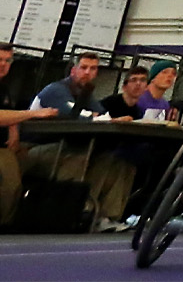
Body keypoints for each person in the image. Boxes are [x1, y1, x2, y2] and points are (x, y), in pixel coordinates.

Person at [24, 53, 138, 231]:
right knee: (77, 157)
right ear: (73, 70)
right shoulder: (56, 89)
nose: (87, 72)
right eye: (84, 67)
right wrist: (102, 118)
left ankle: (104, 217)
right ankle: (68, 211)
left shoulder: (86, 94)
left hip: (64, 148)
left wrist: (108, 119)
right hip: (33, 149)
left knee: (116, 162)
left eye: (93, 69)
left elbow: (102, 115)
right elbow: (74, 114)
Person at [0, 43, 58, 227]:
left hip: (6, 146)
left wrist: (14, 132)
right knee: (11, 183)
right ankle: (3, 226)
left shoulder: (2, 88)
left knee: (43, 163)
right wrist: (34, 113)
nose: (3, 64)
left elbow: (8, 113)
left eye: (7, 60)